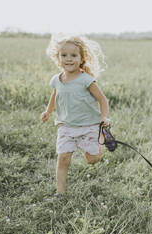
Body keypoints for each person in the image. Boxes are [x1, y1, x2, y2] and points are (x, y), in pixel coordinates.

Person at [41, 35, 110, 197]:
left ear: (81, 59)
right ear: (58, 58)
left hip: (89, 126)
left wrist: (104, 117)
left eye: (73, 55)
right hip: (66, 126)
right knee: (63, 158)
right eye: (64, 55)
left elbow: (102, 99)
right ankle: (60, 192)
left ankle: (99, 142)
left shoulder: (86, 80)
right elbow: (55, 95)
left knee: (92, 159)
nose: (68, 59)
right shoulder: (57, 79)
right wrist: (48, 111)